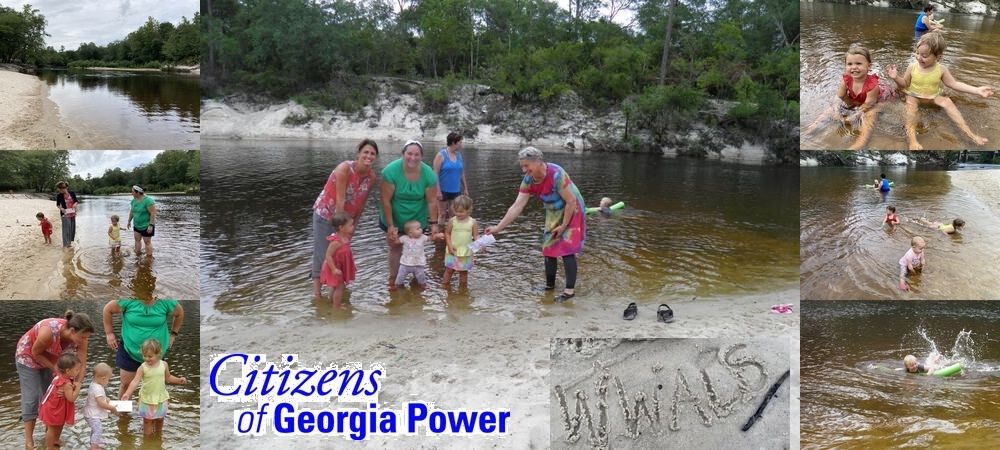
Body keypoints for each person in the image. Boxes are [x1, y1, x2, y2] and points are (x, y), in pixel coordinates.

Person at [486, 147, 587, 303]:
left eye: (527, 166)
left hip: (572, 208)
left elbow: (571, 201)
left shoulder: (557, 174)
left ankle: (569, 291)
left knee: (567, 249)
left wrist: (564, 226)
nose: (525, 170)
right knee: (548, 247)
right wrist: (498, 228)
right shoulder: (528, 180)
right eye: (522, 166)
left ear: (538, 161)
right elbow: (516, 206)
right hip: (553, 210)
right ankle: (549, 286)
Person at [887, 32, 993, 150]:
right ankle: (912, 139)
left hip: (932, 97)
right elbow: (905, 84)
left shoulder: (941, 70)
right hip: (914, 96)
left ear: (938, 57)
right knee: (910, 105)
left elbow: (954, 84)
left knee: (947, 101)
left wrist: (977, 90)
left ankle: (969, 134)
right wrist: (895, 77)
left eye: (924, 55)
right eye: (917, 53)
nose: (919, 57)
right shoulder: (912, 67)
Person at [15, 310, 93, 450]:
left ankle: (51, 438)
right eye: (82, 337)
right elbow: (35, 353)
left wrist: (77, 383)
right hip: (28, 358)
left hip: (53, 361)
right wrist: (56, 369)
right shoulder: (48, 332)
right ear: (73, 331)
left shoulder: (82, 338)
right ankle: (29, 441)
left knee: (54, 398)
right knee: (31, 398)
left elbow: (81, 364)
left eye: (86, 337)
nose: (83, 340)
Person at [311, 139, 379, 298]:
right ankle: (317, 295)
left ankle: (332, 292)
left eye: (372, 154)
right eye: (366, 152)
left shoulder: (371, 176)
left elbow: (361, 204)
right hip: (326, 214)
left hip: (345, 222)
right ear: (358, 153)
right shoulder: (345, 169)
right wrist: (339, 233)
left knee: (339, 253)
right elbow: (340, 202)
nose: (368, 156)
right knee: (323, 253)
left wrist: (352, 227)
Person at [803, 44, 899, 150]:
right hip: (857, 99)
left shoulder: (872, 85)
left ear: (869, 66)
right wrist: (836, 111)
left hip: (879, 100)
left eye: (858, 63)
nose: (853, 67)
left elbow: (867, 106)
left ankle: (862, 141)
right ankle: (812, 128)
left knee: (869, 115)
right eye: (849, 64)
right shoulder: (846, 79)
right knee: (830, 109)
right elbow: (838, 97)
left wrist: (853, 117)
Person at [380, 140, 440, 288]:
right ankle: (393, 280)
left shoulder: (429, 175)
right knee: (395, 247)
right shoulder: (390, 171)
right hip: (394, 215)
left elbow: (432, 202)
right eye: (409, 154)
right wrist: (390, 226)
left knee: (416, 247)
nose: (413, 158)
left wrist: (434, 224)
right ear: (403, 154)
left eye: (417, 155)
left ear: (422, 156)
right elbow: (385, 201)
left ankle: (416, 280)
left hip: (417, 219)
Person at [103, 300, 183, 400]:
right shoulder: (128, 299)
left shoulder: (166, 301)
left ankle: (151, 412)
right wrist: (109, 333)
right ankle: (124, 414)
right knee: (126, 384)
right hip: (130, 349)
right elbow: (107, 309)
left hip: (156, 353)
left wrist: (173, 334)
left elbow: (179, 314)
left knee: (155, 385)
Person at [121, 338, 188, 437]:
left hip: (161, 398)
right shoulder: (142, 367)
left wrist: (178, 380)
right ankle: (147, 440)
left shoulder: (164, 365)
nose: (147, 358)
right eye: (144, 356)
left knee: (160, 419)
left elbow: (168, 377)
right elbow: (135, 381)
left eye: (150, 356)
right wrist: (127, 393)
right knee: (147, 421)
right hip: (147, 398)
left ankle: (158, 437)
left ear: (158, 354)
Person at [39, 354, 83, 450]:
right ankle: (49, 447)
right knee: (52, 427)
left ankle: (56, 440)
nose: (79, 371)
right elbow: (71, 398)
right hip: (53, 408)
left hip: (57, 406)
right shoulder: (66, 384)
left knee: (60, 423)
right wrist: (78, 388)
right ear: (68, 371)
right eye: (77, 370)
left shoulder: (59, 376)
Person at [320, 211, 357, 308]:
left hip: (340, 265)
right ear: (341, 227)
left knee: (335, 285)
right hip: (333, 266)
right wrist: (333, 269)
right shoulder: (336, 242)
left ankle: (331, 301)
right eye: (350, 225)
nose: (353, 227)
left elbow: (346, 253)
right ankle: (337, 306)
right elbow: (328, 256)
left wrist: (351, 264)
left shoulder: (346, 238)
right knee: (340, 287)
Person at [433, 132, 469, 226]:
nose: (461, 144)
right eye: (460, 142)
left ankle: (451, 233)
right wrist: (438, 191)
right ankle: (439, 234)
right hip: (443, 190)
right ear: (453, 143)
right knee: (442, 214)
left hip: (455, 190)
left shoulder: (459, 155)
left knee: (453, 214)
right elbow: (435, 173)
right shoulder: (441, 155)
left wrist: (465, 188)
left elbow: (461, 173)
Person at [443, 195, 479, 287]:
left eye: (461, 212)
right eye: (456, 211)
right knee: (449, 270)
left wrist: (481, 244)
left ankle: (463, 290)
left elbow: (475, 235)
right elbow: (447, 233)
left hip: (466, 251)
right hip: (453, 250)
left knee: (463, 272)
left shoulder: (472, 222)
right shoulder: (452, 221)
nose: (458, 214)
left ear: (469, 210)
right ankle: (445, 286)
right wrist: (449, 245)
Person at [83, 363, 119, 450]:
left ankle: (94, 442)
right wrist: (112, 408)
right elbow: (101, 403)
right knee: (98, 429)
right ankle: (94, 447)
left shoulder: (94, 384)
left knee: (95, 429)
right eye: (108, 380)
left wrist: (105, 398)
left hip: (90, 413)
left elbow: (97, 396)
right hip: (92, 415)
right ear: (103, 379)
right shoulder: (97, 388)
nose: (108, 382)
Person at [393, 220, 430, 291]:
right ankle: (397, 285)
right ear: (410, 233)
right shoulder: (404, 238)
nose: (421, 229)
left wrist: (437, 236)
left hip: (418, 263)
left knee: (421, 276)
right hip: (405, 263)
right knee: (400, 275)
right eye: (418, 228)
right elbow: (396, 242)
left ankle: (422, 285)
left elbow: (431, 238)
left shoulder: (422, 237)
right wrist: (395, 236)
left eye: (420, 228)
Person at [127, 185, 157, 259]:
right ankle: (137, 254)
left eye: (133, 192)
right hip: (137, 225)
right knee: (137, 240)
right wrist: (129, 221)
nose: (132, 193)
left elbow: (153, 214)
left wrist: (151, 225)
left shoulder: (148, 201)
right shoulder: (133, 201)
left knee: (147, 242)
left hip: (146, 225)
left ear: (138, 192)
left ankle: (149, 258)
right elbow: (132, 211)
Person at [55, 181, 79, 252]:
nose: (60, 190)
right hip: (65, 214)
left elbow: (76, 201)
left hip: (72, 213)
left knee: (71, 229)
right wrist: (61, 208)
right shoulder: (59, 195)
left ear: (66, 188)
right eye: (59, 189)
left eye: (62, 189)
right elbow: (58, 204)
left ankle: (69, 243)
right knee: (66, 230)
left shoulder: (72, 193)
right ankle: (65, 246)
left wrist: (75, 204)